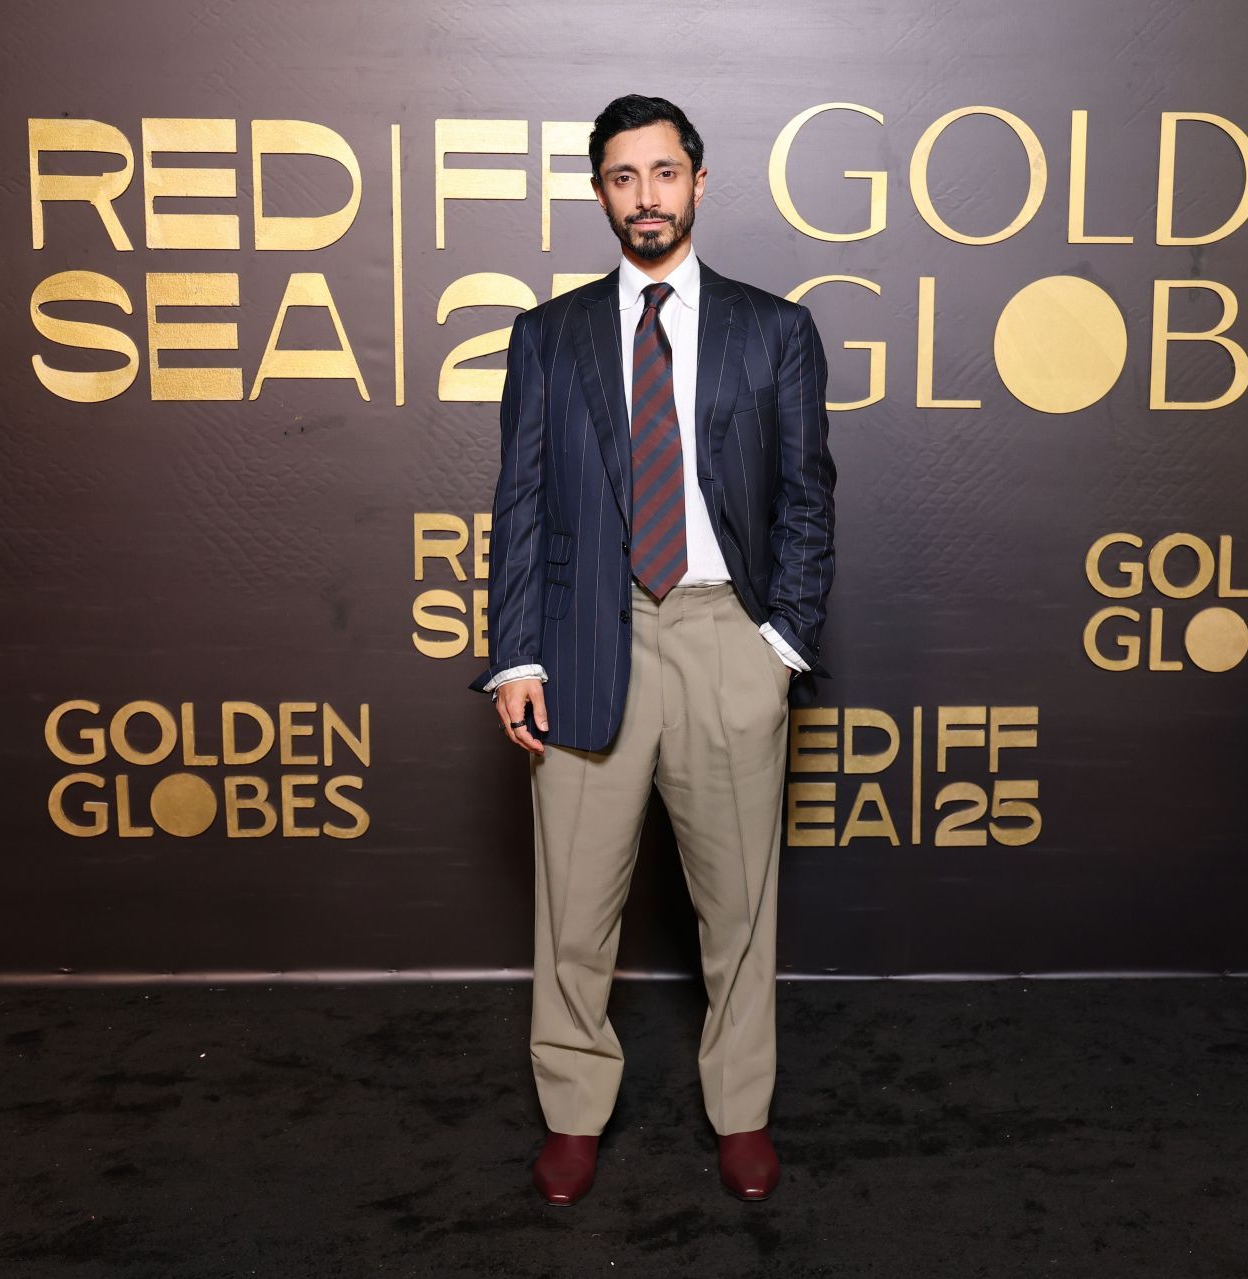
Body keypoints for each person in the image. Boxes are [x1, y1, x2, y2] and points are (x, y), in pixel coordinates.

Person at [469, 93, 836, 1206]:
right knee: (574, 910)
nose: (646, 197)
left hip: (729, 636)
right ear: (600, 194)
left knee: (738, 909)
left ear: (699, 181)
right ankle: (574, 1111)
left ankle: (742, 1111)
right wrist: (515, 654)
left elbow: (807, 503)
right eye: (623, 178)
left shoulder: (774, 331)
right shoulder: (550, 335)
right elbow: (520, 504)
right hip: (590, 637)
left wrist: (781, 643)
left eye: (664, 174)